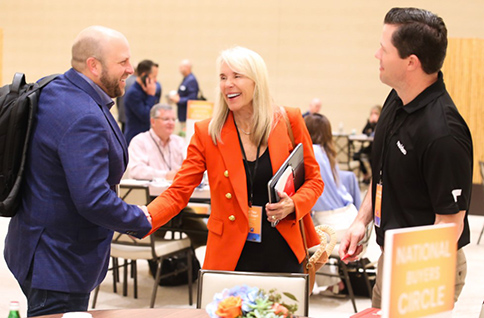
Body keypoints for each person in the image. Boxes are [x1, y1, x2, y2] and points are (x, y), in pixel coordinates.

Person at [3, 26, 153, 317]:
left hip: (35, 244)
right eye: (122, 62)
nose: (131, 70)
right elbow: (92, 198)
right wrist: (138, 218)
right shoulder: (83, 115)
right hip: (58, 263)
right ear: (94, 65)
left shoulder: (55, 88)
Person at [339, 7, 473, 309]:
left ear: (411, 63)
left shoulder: (444, 135)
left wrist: (401, 300)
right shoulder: (397, 98)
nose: (376, 54)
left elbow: (448, 227)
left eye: (384, 49)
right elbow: (384, 171)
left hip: (426, 273)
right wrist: (362, 221)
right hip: (392, 259)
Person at [146, 46, 324, 273]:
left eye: (237, 76)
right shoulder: (207, 132)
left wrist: (294, 204)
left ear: (256, 81)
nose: (227, 84)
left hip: (283, 249)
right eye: (223, 77)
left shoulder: (289, 120)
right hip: (229, 255)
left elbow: (315, 181)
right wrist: (144, 217)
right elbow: (179, 190)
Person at [128, 103, 208, 250]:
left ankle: (185, 265)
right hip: (151, 203)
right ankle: (164, 264)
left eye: (173, 119)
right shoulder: (140, 141)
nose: (171, 123)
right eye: (166, 119)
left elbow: (190, 166)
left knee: (205, 234)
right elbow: (136, 170)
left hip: (177, 203)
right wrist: (166, 175)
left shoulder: (178, 142)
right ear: (153, 121)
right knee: (154, 228)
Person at [304, 113, 361, 296]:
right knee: (313, 232)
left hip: (334, 224)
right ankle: (333, 283)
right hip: (347, 217)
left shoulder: (310, 152)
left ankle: (304, 288)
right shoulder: (327, 153)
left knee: (301, 239)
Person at [124, 59, 162, 144]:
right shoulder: (133, 93)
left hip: (147, 138)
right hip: (135, 139)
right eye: (154, 77)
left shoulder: (149, 90)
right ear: (145, 76)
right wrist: (151, 96)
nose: (156, 80)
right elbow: (147, 116)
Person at [353, 105, 381, 184]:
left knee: (372, 158)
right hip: (370, 146)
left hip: (377, 147)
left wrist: (376, 123)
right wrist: (370, 123)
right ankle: (366, 174)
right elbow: (364, 131)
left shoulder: (381, 123)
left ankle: (374, 177)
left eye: (376, 113)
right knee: (356, 155)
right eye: (372, 113)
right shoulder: (370, 122)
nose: (373, 115)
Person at [169, 59, 199, 131]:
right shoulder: (186, 79)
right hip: (182, 114)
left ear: (187, 67)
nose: (179, 69)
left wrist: (179, 100)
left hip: (187, 115)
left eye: (181, 67)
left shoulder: (191, 80)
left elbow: (192, 99)